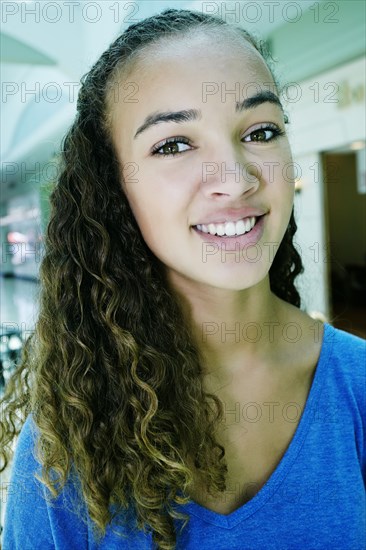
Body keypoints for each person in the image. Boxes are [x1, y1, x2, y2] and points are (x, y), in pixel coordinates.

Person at [1, 8, 365, 550]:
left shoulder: (357, 387)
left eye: (260, 131)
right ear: (115, 187)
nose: (236, 180)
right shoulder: (64, 444)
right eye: (173, 144)